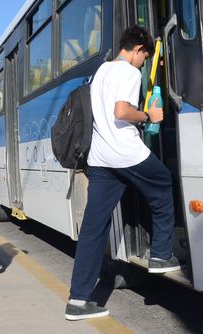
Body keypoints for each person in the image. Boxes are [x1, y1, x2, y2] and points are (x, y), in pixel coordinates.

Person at [65, 25, 180, 321]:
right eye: (144, 58)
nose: (143, 64)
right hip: (125, 151)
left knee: (94, 227)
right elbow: (121, 111)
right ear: (139, 49)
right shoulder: (128, 72)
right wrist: (148, 116)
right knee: (163, 183)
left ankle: (77, 300)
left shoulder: (101, 71)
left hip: (100, 158)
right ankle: (160, 254)